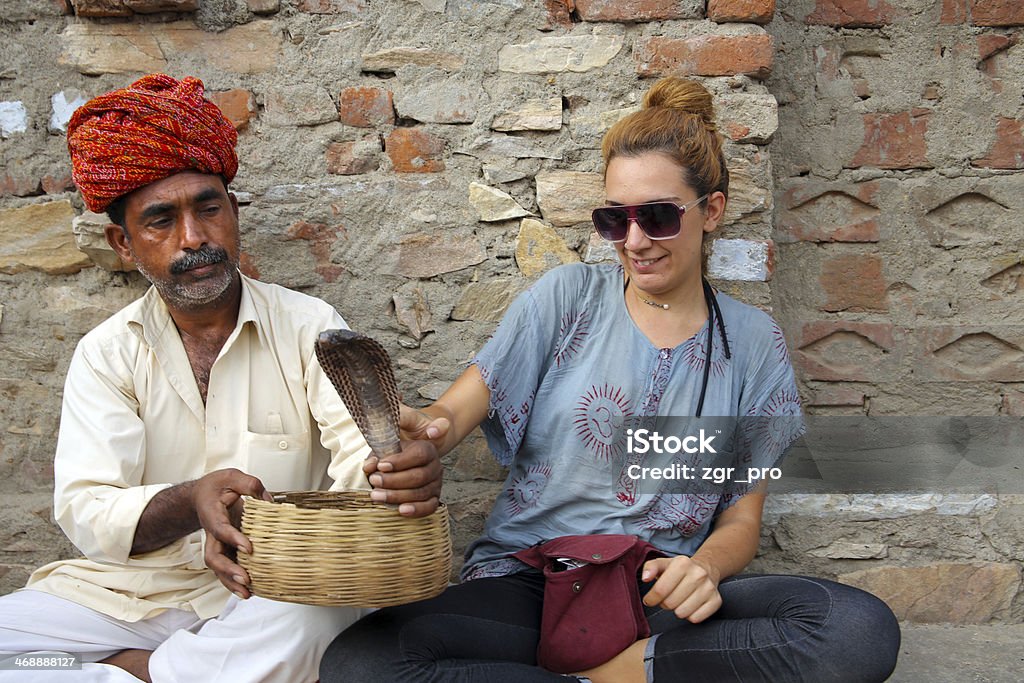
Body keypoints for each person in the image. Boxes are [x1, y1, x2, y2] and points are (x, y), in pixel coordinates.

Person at [319, 77, 900, 682]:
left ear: (713, 210)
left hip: (657, 593)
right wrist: (421, 434)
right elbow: (454, 413)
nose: (636, 241)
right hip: (533, 585)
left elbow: (740, 520)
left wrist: (702, 569)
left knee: (855, 630)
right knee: (361, 665)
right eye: (614, 219)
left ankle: (609, 673)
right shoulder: (566, 300)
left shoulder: (753, 344)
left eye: (657, 216)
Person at [0, 74, 442, 683]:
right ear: (122, 244)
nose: (194, 239)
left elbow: (357, 462)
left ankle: (138, 675)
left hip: (271, 584)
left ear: (232, 212)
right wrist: (192, 500)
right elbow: (87, 507)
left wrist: (396, 472)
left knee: (315, 626)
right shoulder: (105, 353)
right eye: (160, 221)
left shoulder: (309, 327)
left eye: (208, 209)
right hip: (130, 594)